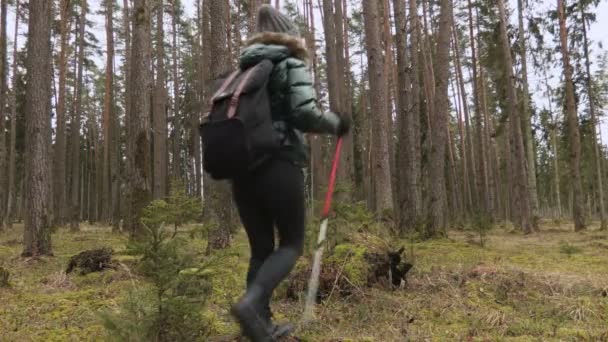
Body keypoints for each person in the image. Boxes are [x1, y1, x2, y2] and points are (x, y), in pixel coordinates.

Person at [229, 5, 350, 342]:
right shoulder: (290, 63)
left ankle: (259, 327)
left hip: (242, 171)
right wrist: (337, 123)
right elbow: (304, 113)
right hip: (278, 164)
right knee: (292, 242)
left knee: (261, 249)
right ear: (290, 35)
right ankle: (252, 305)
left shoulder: (242, 72)